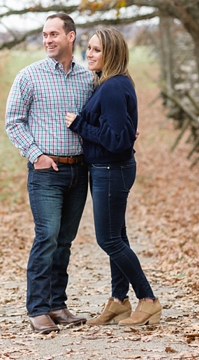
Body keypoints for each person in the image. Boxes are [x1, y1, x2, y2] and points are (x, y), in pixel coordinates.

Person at [65, 28, 162, 326]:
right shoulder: (109, 83)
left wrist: (80, 125)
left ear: (112, 53)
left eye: (96, 50)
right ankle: (119, 301)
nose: (89, 54)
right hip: (108, 169)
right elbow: (121, 132)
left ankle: (148, 299)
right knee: (117, 236)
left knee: (109, 239)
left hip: (111, 170)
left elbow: (118, 139)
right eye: (89, 48)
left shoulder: (112, 87)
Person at [5, 13, 95, 334]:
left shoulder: (87, 79)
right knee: (47, 238)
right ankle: (38, 309)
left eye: (54, 34)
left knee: (65, 241)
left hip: (77, 171)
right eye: (45, 35)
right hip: (46, 172)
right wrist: (36, 155)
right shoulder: (29, 77)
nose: (48, 40)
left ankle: (58, 305)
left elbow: (95, 121)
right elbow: (13, 121)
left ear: (71, 37)